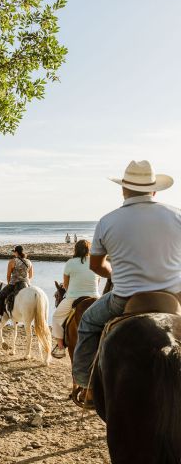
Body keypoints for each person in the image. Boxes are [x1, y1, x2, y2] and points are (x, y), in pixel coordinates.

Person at [72, 160, 181, 407]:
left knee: (88, 323)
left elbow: (96, 266)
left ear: (123, 189)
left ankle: (86, 387)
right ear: (154, 190)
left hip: (126, 298)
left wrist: (115, 272)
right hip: (176, 295)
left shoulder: (108, 221)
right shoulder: (177, 215)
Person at [51, 240, 100, 358]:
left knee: (56, 317)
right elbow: (97, 282)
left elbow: (66, 285)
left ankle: (60, 347)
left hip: (73, 297)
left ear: (75, 250)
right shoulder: (95, 261)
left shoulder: (70, 263)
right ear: (89, 250)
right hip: (95, 297)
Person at [0, 245, 33, 323]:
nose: (14, 254)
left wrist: (9, 284)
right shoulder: (29, 262)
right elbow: (30, 276)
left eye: (14, 252)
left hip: (14, 284)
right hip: (26, 284)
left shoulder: (12, 261)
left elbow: (8, 275)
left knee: (0, 296)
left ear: (16, 252)